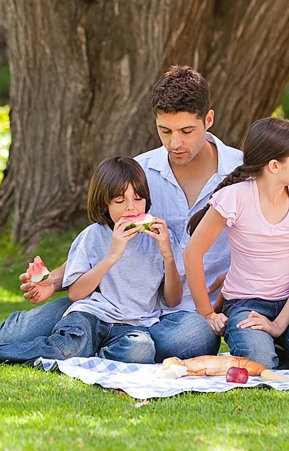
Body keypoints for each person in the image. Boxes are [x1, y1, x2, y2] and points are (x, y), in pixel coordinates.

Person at [3, 65, 243, 361]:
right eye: (165, 131)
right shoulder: (139, 172)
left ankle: (99, 343)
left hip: (182, 314)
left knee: (194, 339)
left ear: (208, 120)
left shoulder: (241, 174)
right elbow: (101, 237)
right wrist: (52, 281)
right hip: (110, 299)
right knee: (18, 333)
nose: (174, 143)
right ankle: (91, 338)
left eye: (186, 131)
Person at [184, 117, 289, 375]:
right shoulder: (235, 197)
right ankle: (271, 346)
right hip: (246, 304)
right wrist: (207, 313)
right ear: (274, 166)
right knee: (260, 364)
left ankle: (280, 340)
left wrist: (279, 325)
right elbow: (192, 253)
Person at [0, 156, 182, 363]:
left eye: (138, 199)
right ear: (105, 205)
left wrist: (168, 255)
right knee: (68, 348)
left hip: (134, 325)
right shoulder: (93, 236)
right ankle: (8, 352)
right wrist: (113, 255)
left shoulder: (161, 240)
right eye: (120, 201)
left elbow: (173, 300)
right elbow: (76, 293)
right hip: (91, 316)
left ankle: (93, 358)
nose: (131, 208)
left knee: (141, 351)